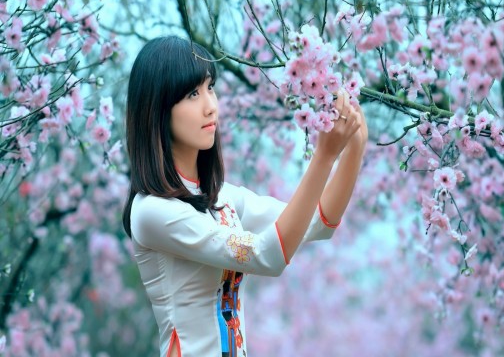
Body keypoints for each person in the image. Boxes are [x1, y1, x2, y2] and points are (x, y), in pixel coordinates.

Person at [122, 36, 367, 357]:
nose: (210, 105)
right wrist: (323, 157)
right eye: (192, 94)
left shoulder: (223, 199)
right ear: (158, 109)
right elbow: (265, 255)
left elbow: (318, 223)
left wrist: (355, 145)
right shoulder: (152, 212)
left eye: (210, 87)